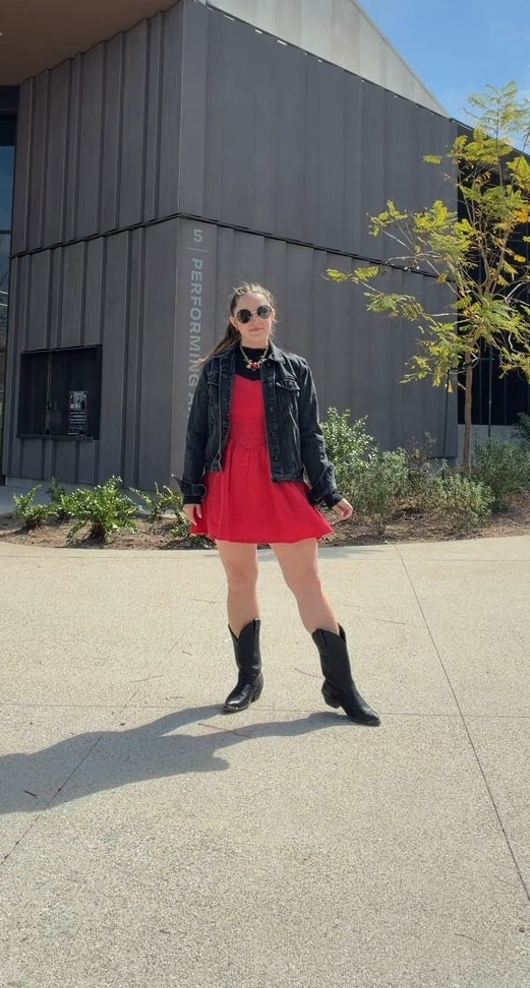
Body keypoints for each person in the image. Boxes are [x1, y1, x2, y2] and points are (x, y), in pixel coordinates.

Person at [178, 283, 380, 727]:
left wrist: (329, 491)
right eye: (245, 315)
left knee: (307, 581)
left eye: (262, 311)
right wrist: (192, 491)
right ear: (234, 322)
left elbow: (312, 434)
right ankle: (249, 679)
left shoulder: (295, 369)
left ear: (274, 314)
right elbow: (197, 432)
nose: (255, 320)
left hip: (281, 478)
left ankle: (342, 686)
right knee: (240, 579)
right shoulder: (215, 371)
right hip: (228, 481)